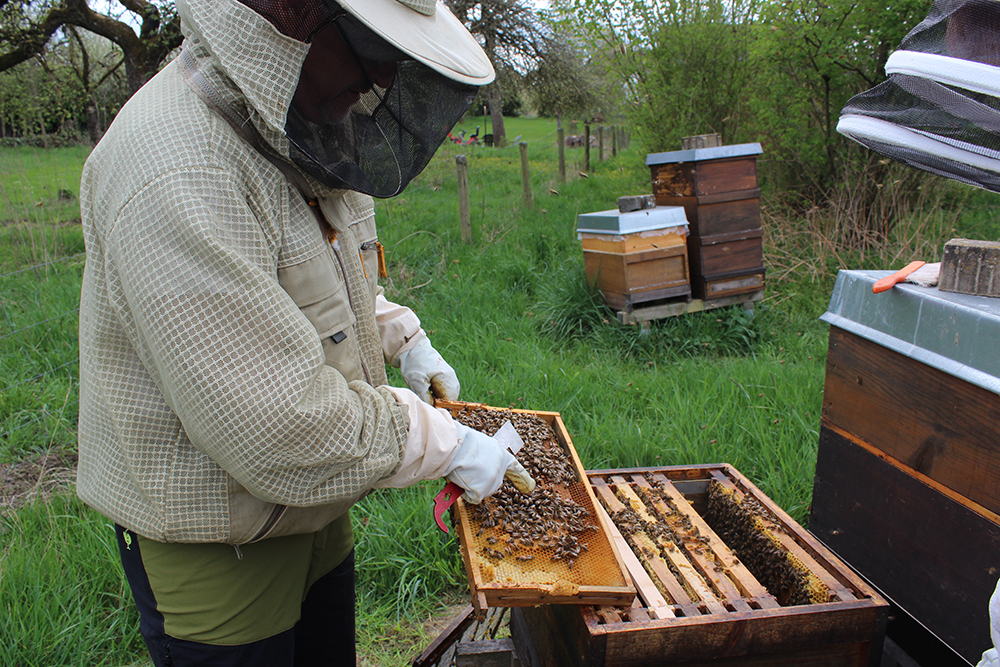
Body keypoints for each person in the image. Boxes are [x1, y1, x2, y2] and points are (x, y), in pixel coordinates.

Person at [76, 0, 534, 664]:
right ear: (294, 11)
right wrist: (441, 440)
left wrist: (402, 337)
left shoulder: (298, 126)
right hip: (218, 541)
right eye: (370, 41)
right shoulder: (178, 167)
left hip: (315, 506)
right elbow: (278, 425)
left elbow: (303, 280)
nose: (384, 71)